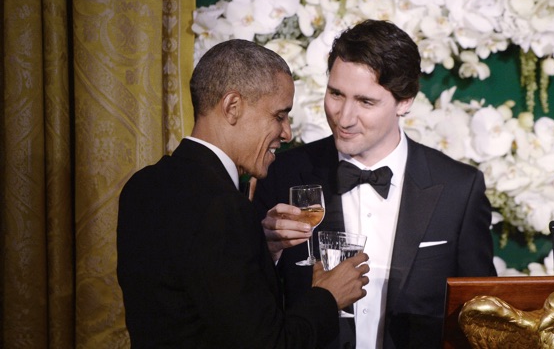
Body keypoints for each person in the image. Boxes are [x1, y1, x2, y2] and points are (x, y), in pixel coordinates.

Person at [253, 20, 497, 348]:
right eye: (336, 94)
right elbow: (249, 302)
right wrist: (268, 251)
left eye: (366, 102)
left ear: (405, 101)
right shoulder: (282, 174)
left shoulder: (459, 189)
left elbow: (484, 314)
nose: (344, 117)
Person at [116, 39, 370, 348]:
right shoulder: (223, 206)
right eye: (279, 115)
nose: (287, 132)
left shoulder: (142, 185)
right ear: (232, 107)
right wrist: (328, 297)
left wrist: (261, 250)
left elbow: (195, 297)